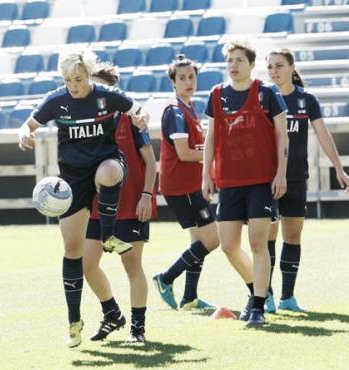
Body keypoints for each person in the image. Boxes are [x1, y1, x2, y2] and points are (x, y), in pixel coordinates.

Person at [18, 48, 149, 347]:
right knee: (72, 249)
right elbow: (29, 123)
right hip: (73, 179)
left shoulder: (105, 96)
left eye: (78, 78)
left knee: (109, 174)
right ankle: (74, 320)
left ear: (88, 74)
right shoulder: (56, 100)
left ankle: (109, 237)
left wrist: (142, 118)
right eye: (68, 80)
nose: (73, 85)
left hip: (107, 162)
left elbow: (138, 109)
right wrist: (24, 133)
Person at [202, 40, 289, 326]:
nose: (234, 65)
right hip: (229, 182)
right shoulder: (216, 95)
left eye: (239, 60)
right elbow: (211, 139)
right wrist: (206, 175)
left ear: (252, 64)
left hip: (262, 180)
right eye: (229, 61)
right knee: (228, 245)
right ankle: (257, 290)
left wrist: (281, 173)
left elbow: (281, 136)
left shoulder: (267, 93)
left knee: (257, 242)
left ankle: (259, 308)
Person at [264, 49, 349, 313]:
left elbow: (323, 135)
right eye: (270, 67)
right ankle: (264, 295)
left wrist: (339, 168)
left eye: (279, 65)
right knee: (267, 235)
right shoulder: (263, 98)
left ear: (291, 67)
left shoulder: (306, 99)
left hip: (297, 179)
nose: (274, 71)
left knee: (292, 235)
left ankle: (287, 298)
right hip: (267, 179)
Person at [82, 62, 156, 344]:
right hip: (98, 208)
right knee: (87, 265)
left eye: (99, 87)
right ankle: (112, 313)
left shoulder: (132, 119)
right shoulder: (86, 124)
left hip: (132, 206)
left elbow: (150, 162)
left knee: (132, 266)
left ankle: (138, 329)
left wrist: (147, 195)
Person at [153, 55, 220, 310]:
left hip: (191, 184)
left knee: (198, 241)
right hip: (181, 186)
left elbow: (197, 151)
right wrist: (214, 156)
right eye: (182, 78)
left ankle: (189, 298)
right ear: (173, 82)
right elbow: (184, 153)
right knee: (212, 240)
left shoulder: (190, 107)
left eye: (191, 76)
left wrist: (208, 176)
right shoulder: (175, 111)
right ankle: (166, 278)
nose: (188, 81)